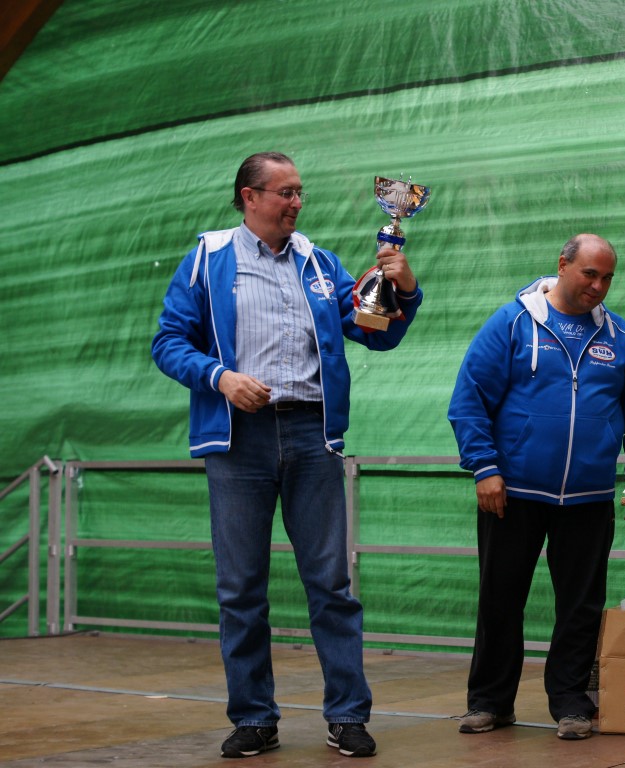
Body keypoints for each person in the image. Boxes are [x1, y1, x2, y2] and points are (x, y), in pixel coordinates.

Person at [152, 152, 423, 759]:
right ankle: (253, 718)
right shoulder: (209, 257)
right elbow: (168, 342)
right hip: (237, 439)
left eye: (300, 192)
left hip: (311, 435)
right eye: (285, 192)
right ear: (249, 197)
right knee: (240, 588)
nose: (297, 202)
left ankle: (347, 716)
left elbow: (374, 330)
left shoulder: (319, 263)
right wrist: (221, 378)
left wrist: (402, 287)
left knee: (331, 583)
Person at [447, 233, 625, 741]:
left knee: (581, 606)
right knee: (500, 599)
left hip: (588, 497)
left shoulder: (621, 337)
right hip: (512, 493)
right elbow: (469, 398)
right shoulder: (511, 323)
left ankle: (571, 703)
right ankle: (489, 702)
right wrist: (484, 468)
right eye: (590, 273)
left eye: (607, 277)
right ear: (562, 265)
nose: (598, 286)